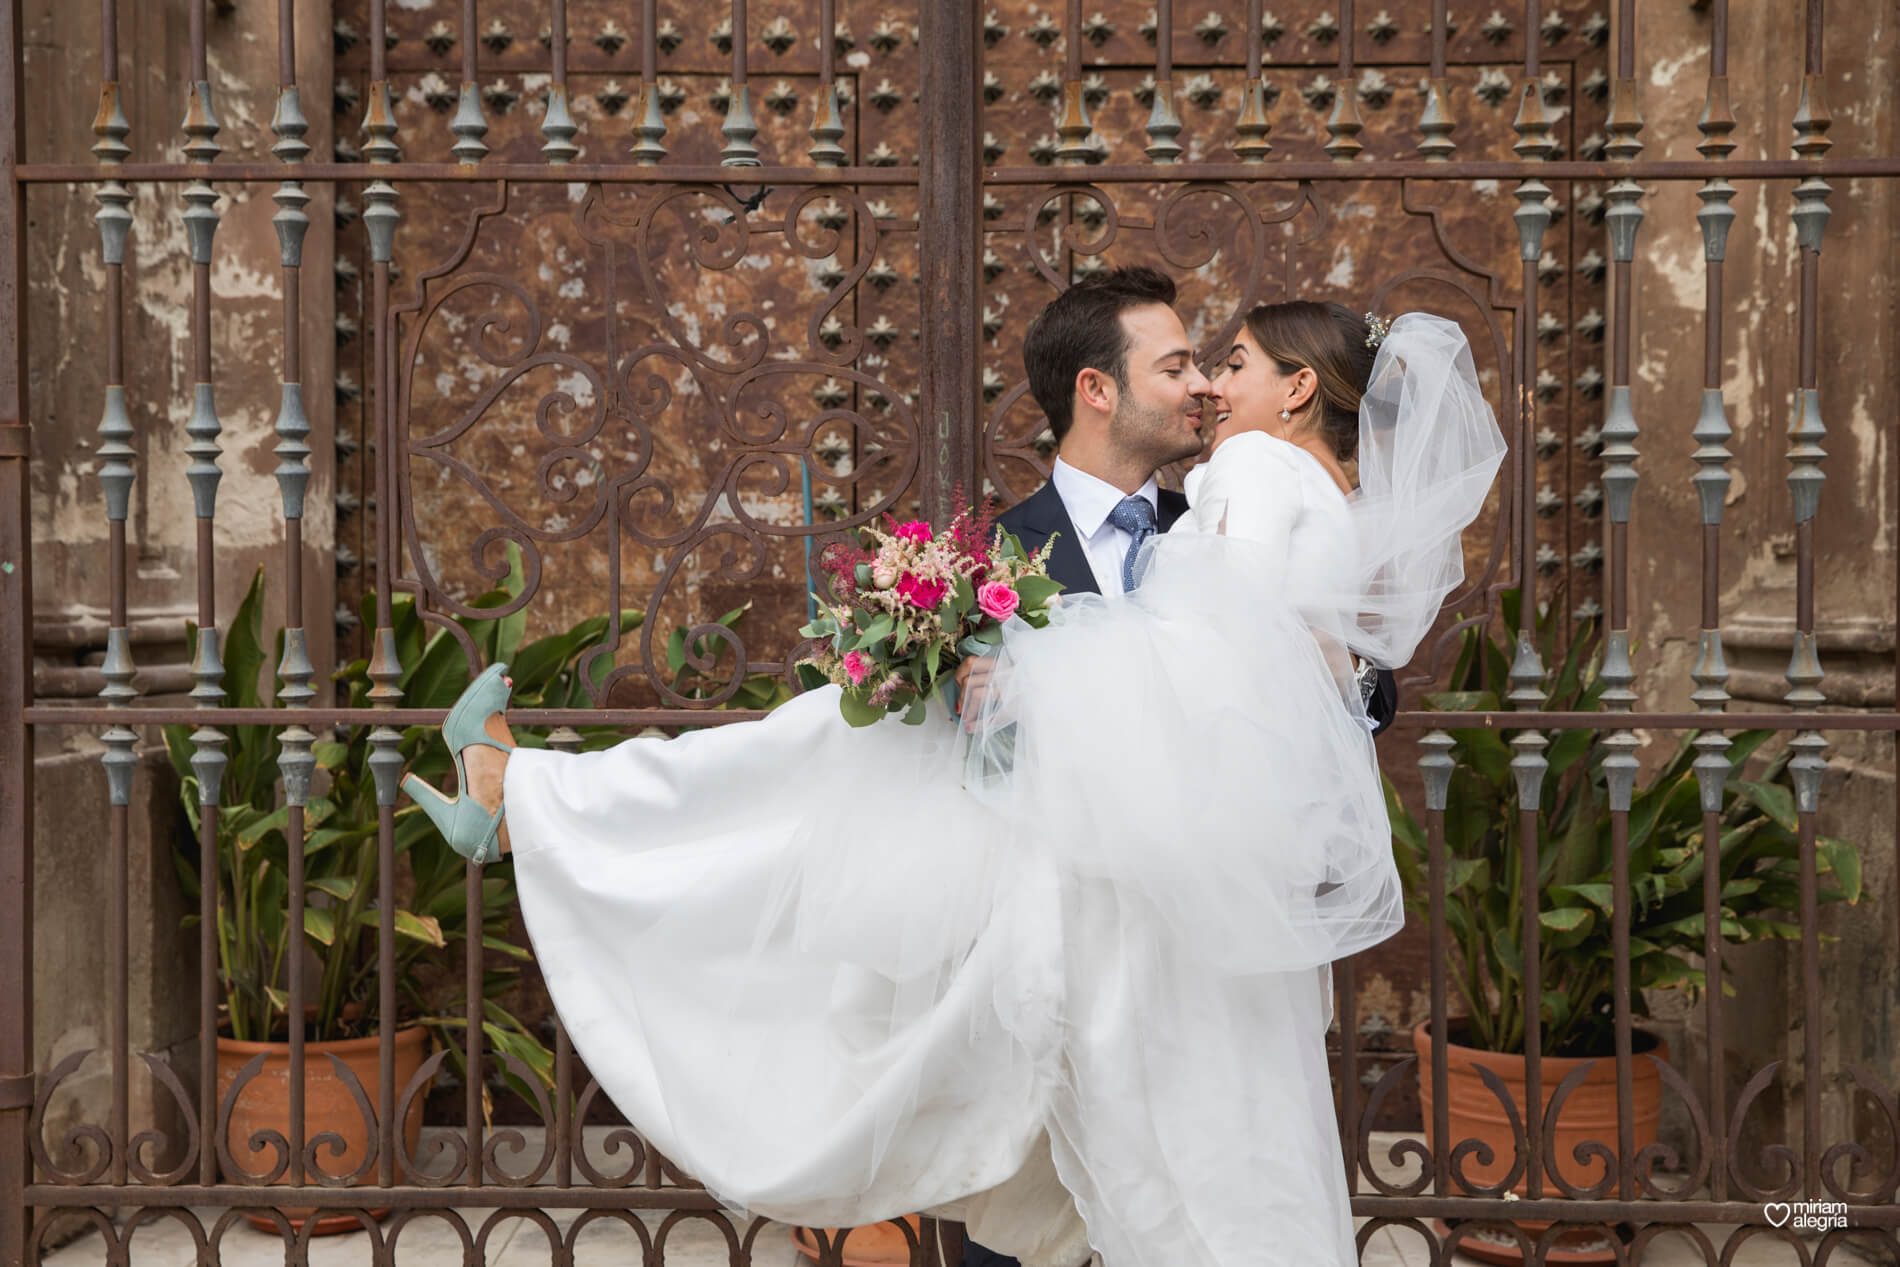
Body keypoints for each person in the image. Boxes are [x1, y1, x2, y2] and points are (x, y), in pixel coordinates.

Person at [401, 288, 1505, 1267]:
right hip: (1021, 931)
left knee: (1178, 1182)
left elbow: (1323, 685)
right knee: (819, 755)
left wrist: (1321, 676)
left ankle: (528, 797)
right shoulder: (986, 553)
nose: (1206, 387)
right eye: (1178, 365)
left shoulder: (1226, 499)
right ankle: (542, 804)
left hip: (1170, 943)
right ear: (1096, 392)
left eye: (1219, 364)